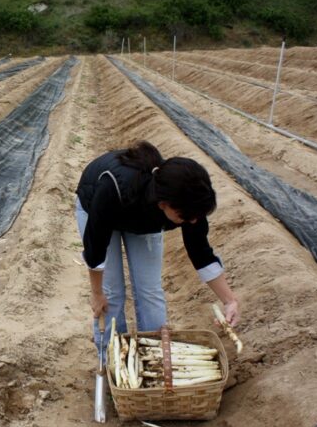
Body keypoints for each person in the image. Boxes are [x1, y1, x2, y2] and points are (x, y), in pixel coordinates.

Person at [75, 141, 240, 347]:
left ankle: (154, 351)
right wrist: (97, 293)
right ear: (163, 204)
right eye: (184, 217)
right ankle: (109, 354)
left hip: (141, 215)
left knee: (150, 290)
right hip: (98, 205)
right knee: (111, 293)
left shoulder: (189, 204)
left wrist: (229, 301)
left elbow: (201, 252)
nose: (192, 222)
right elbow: (96, 250)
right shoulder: (112, 189)